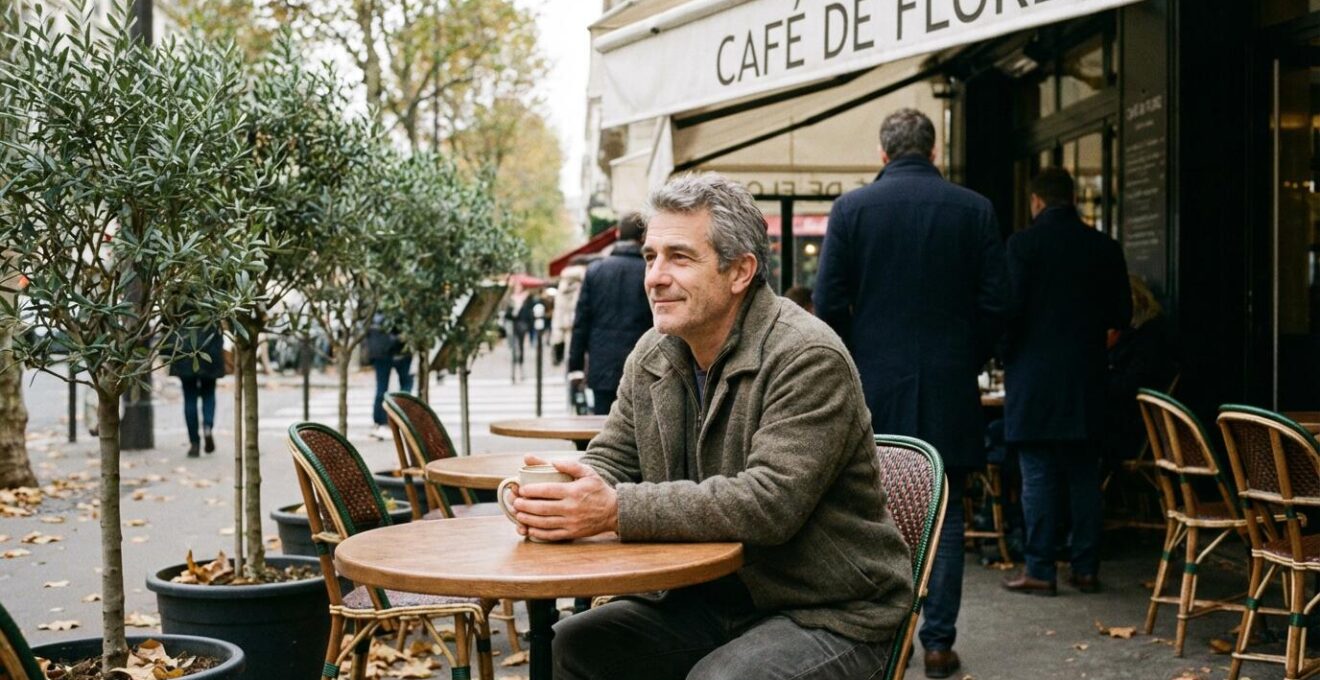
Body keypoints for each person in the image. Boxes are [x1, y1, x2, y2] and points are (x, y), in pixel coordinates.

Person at [510, 174, 913, 680]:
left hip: (829, 610)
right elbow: (614, 457)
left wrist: (614, 509)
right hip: (708, 600)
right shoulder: (653, 353)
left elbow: (769, 504)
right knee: (574, 643)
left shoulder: (806, 355)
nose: (655, 276)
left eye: (679, 257)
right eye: (650, 256)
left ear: (740, 271)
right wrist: (567, 492)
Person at [813, 107, 1008, 679]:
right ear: (935, 150)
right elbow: (998, 304)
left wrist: (851, 366)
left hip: (872, 384)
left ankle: (881, 634)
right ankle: (939, 643)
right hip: (949, 382)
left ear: (882, 153)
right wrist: (965, 358)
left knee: (868, 506)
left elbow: (827, 305)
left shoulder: (851, 210)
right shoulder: (975, 210)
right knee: (945, 515)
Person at [1000, 167, 1131, 598]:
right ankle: (1086, 567)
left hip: (1034, 381)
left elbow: (1009, 312)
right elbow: (1121, 317)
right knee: (1083, 477)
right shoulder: (1104, 247)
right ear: (1073, 198)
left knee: (1036, 475)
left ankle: (1040, 568)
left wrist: (1005, 352)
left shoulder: (1022, 246)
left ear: (1036, 200)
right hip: (1086, 378)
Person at [568, 212, 652, 415]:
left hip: (602, 365)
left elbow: (581, 323)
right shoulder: (649, 271)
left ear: (616, 234)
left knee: (603, 427)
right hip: (644, 365)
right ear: (643, 238)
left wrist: (576, 367)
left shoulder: (595, 270)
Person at [1104, 274, 1178, 464]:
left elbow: (1131, 384)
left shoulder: (1149, 337)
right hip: (1119, 418)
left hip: (1136, 426)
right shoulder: (1125, 335)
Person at [168, 322, 226, 458]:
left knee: (189, 397)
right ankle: (207, 426)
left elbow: (168, 319)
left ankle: (194, 442)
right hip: (210, 346)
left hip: (185, 346)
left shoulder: (178, 300)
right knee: (209, 393)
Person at [365, 313, 413, 441]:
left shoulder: (375, 310)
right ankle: (401, 417)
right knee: (405, 385)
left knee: (382, 388)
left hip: (381, 353)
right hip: (400, 351)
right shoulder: (403, 307)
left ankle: (380, 421)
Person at [504, 280, 538, 383]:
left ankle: (521, 371)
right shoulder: (511, 299)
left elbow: (530, 313)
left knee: (521, 348)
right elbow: (507, 314)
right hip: (513, 325)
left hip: (522, 325)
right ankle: (513, 373)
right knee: (514, 349)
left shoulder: (527, 298)